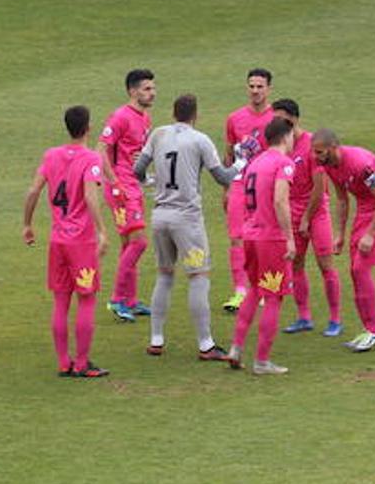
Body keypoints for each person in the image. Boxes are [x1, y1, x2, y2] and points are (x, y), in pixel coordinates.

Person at [132, 94, 242, 361]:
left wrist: (149, 181)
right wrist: (241, 162)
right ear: (195, 115)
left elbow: (137, 169)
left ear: (173, 113)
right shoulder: (200, 139)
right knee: (198, 277)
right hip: (187, 221)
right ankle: (206, 344)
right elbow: (222, 177)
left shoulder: (158, 134)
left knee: (164, 276)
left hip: (160, 217)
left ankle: (156, 339)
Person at [23, 105, 112, 378]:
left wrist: (27, 224)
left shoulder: (51, 156)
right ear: (88, 127)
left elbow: (33, 190)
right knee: (86, 300)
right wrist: (102, 231)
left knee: (61, 302)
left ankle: (64, 362)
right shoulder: (90, 159)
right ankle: (82, 363)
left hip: (57, 241)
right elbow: (89, 195)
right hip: (81, 243)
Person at [312, 129, 375, 352]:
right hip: (364, 211)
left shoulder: (361, 164)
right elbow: (341, 199)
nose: (315, 157)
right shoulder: (329, 165)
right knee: (354, 271)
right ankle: (370, 329)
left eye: (319, 152)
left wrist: (371, 234)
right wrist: (340, 234)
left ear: (333, 147)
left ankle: (374, 331)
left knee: (360, 269)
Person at [270, 100, 345, 337]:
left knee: (326, 265)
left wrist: (305, 218)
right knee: (296, 263)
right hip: (292, 211)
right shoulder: (279, 144)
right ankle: (304, 317)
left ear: (295, 118)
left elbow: (319, 186)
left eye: (282, 118)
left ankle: (335, 319)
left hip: (315, 211)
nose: (278, 123)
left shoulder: (313, 144)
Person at [228, 116, 296, 375]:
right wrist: (289, 236)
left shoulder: (255, 163)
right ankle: (262, 361)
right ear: (286, 136)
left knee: (255, 291)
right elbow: (280, 201)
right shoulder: (284, 163)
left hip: (251, 236)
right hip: (271, 239)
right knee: (274, 298)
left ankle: (236, 348)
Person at [99, 69, 156, 323]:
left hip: (134, 185)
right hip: (121, 189)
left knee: (128, 244)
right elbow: (100, 150)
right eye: (146, 89)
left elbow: (136, 151)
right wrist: (114, 183)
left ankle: (130, 300)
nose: (152, 93)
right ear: (133, 91)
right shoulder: (120, 117)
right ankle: (116, 298)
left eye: (153, 88)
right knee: (139, 242)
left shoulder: (145, 117)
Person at [222, 68, 277, 314]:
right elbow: (228, 153)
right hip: (239, 183)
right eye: (251, 86)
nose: (255, 90)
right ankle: (240, 291)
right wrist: (226, 186)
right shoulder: (234, 118)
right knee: (236, 236)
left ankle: (264, 287)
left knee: (262, 236)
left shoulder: (276, 119)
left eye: (260, 86)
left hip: (265, 186)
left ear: (269, 89)